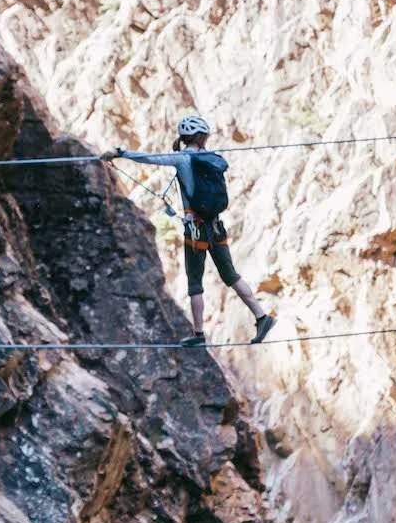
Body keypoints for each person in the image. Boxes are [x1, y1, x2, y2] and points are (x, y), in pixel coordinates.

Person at [103, 113, 277, 347]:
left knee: (195, 282)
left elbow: (149, 158)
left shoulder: (183, 159)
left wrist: (120, 153)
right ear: (202, 137)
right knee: (231, 275)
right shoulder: (211, 159)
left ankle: (198, 335)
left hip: (196, 231)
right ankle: (261, 317)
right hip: (216, 227)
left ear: (184, 137)